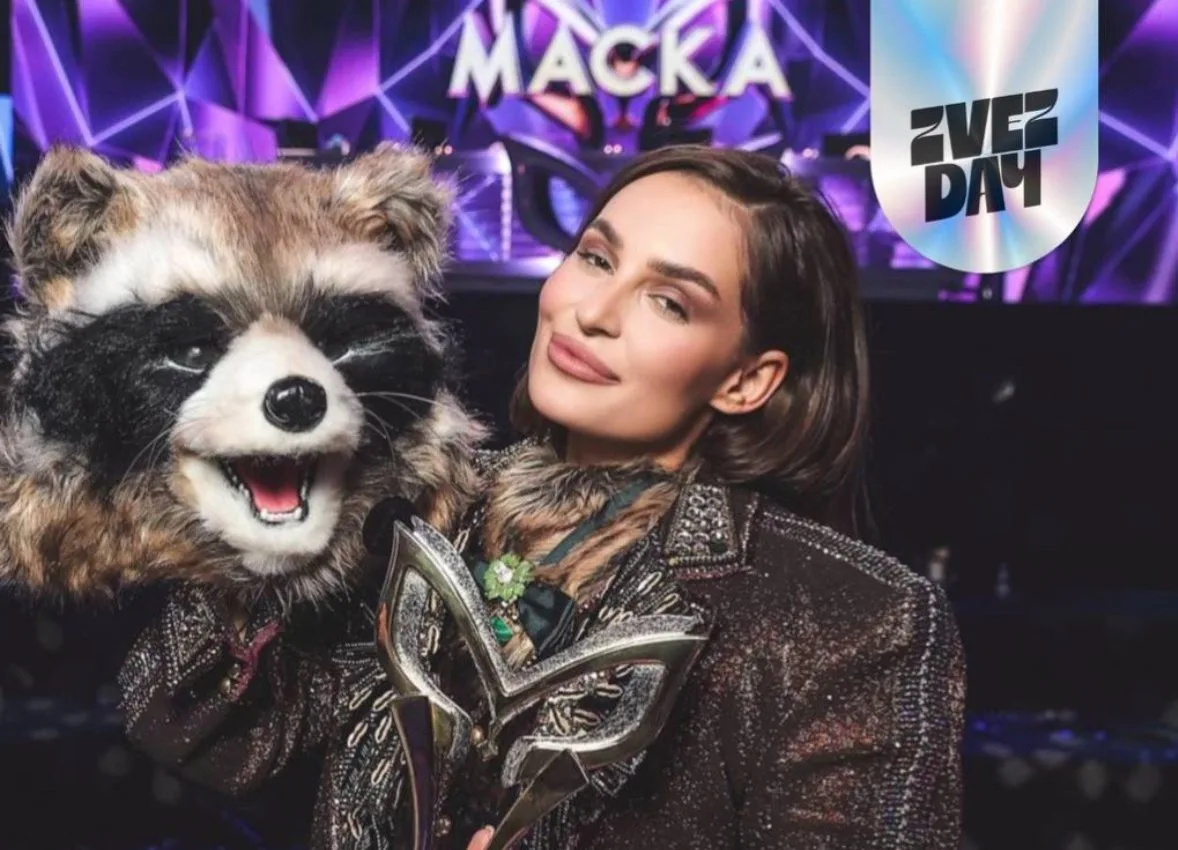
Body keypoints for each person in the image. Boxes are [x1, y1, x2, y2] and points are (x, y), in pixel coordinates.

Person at [118, 145, 965, 849]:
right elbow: (196, 729)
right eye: (596, 257)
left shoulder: (858, 619)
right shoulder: (415, 517)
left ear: (746, 380)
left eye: (669, 302)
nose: (593, 311)